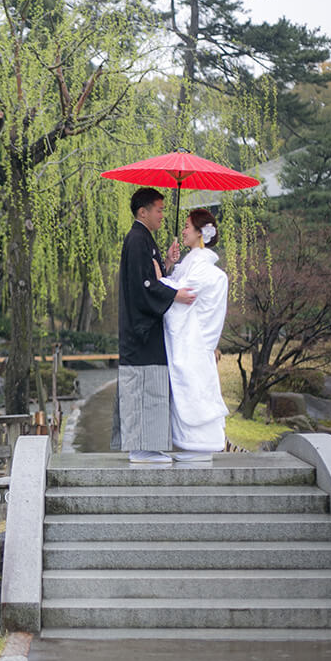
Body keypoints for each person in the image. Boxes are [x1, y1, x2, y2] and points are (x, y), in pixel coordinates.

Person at [111, 187, 195, 464]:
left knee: (153, 385)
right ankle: (140, 448)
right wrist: (174, 295)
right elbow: (144, 286)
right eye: (158, 209)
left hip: (148, 329)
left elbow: (154, 276)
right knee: (142, 385)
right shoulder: (137, 240)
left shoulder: (146, 240)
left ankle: (149, 445)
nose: (162, 215)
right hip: (140, 329)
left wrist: (168, 262)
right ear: (142, 211)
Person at [153, 208, 229, 461]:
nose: (183, 231)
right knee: (190, 388)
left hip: (194, 341)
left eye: (187, 226)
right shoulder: (192, 264)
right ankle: (191, 444)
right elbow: (176, 288)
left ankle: (200, 445)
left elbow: (181, 296)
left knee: (195, 388)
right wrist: (170, 265)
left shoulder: (204, 269)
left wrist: (157, 280)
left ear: (200, 233)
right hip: (191, 341)